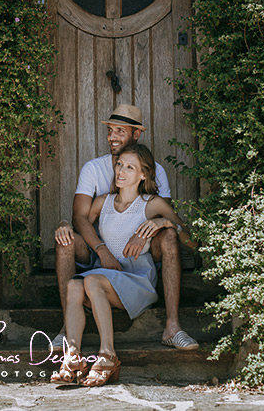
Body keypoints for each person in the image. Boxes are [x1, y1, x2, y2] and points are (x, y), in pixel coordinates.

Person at [53, 104, 199, 352]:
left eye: (120, 131)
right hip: (98, 249)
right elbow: (80, 217)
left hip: (139, 253)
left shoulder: (154, 182)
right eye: (110, 130)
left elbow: (174, 226)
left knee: (169, 235)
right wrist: (93, 244)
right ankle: (69, 333)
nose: (112, 137)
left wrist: (162, 222)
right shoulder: (96, 174)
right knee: (68, 250)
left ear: (136, 134)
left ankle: (172, 326)